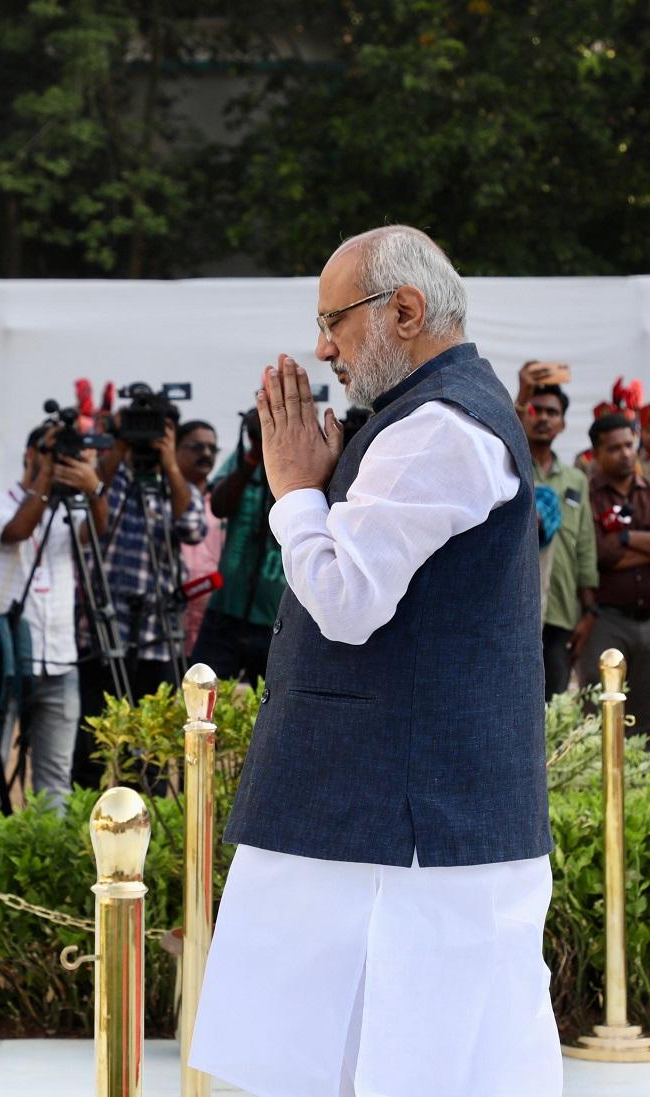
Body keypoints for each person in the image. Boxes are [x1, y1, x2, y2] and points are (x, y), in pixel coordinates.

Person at [191, 225, 559, 1097]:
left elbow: (348, 600)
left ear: (404, 309)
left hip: (411, 831)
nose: (324, 350)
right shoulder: (434, 415)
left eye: (335, 322)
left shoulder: (438, 426)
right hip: (390, 821)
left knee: (414, 1063)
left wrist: (295, 491)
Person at [0, 424, 107, 822]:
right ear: (30, 454)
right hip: (4, 658)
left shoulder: (68, 513)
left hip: (59, 660)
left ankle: (47, 862)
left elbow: (97, 531)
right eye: (51, 453)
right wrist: (46, 478)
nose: (61, 463)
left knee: (55, 776)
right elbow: (17, 531)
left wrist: (94, 489)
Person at [71, 406, 206, 786]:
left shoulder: (175, 485)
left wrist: (170, 463)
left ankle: (145, 826)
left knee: (151, 754)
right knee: (92, 746)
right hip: (103, 631)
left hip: (156, 636)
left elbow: (193, 528)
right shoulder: (108, 478)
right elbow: (87, 519)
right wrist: (118, 447)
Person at [514, 367, 599, 698]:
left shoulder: (576, 480)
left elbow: (585, 547)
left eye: (553, 412)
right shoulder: (511, 466)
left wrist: (589, 611)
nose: (544, 419)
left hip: (562, 610)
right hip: (518, 606)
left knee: (556, 703)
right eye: (536, 411)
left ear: (563, 423)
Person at [189, 408, 287, 685]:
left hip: (277, 619)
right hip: (226, 611)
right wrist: (253, 455)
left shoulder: (302, 459)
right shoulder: (244, 460)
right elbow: (220, 505)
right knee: (200, 695)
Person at [582, 413, 650, 734]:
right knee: (600, 706)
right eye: (614, 448)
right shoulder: (589, 496)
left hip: (647, 618)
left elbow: (611, 551)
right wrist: (641, 546)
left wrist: (623, 538)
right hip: (607, 619)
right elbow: (596, 552)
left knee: (644, 713)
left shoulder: (647, 491)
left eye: (629, 445)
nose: (625, 453)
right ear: (596, 453)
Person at [174, 420, 224, 654]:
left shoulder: (222, 504)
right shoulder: (163, 500)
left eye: (211, 449)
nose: (206, 454)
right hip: (171, 624)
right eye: (196, 447)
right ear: (174, 449)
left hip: (212, 623)